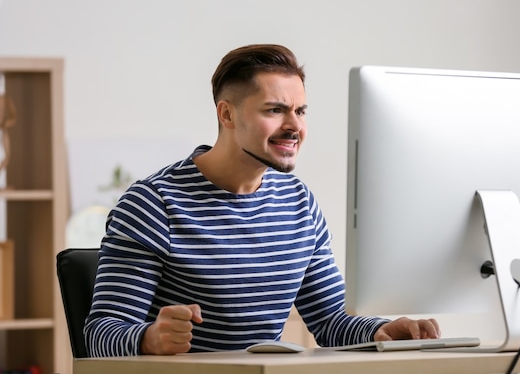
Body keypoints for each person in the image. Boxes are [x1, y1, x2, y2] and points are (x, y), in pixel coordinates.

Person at [84, 44, 440, 357]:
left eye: (300, 111)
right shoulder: (154, 204)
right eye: (274, 110)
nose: (294, 126)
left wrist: (379, 330)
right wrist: (149, 338)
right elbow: (100, 335)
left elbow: (330, 319)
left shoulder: (299, 203)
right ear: (227, 115)